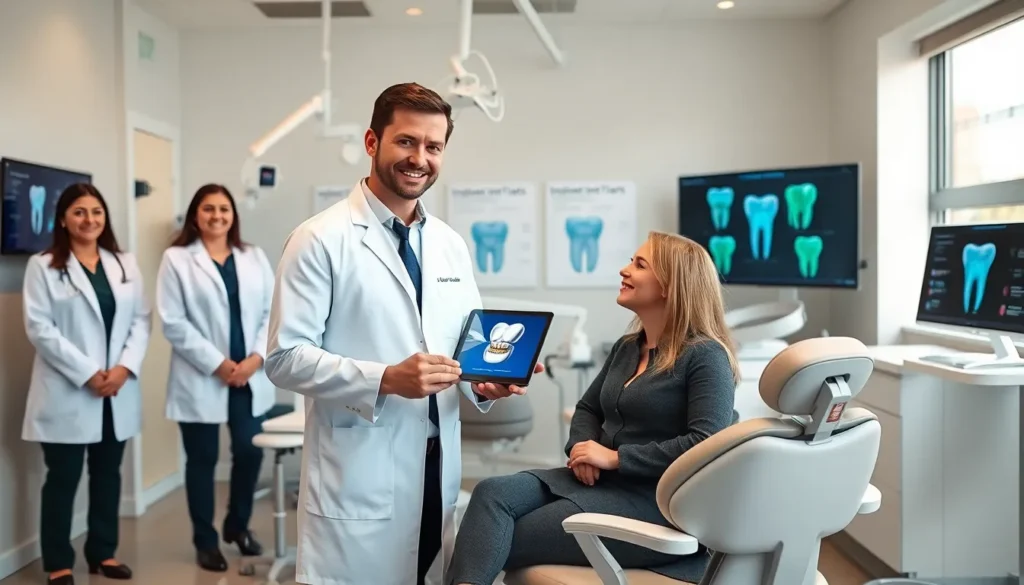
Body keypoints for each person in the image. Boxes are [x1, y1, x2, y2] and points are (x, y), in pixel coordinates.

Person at [264, 82, 540, 585]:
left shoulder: (450, 245)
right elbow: (284, 358)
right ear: (372, 142)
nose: (420, 158)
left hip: (437, 467)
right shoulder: (319, 239)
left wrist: (486, 382)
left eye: (433, 146)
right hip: (359, 470)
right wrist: (386, 378)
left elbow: (465, 349)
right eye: (406, 141)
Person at [446, 231, 740, 585]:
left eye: (640, 265)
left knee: (505, 533)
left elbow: (705, 444)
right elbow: (588, 408)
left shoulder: (706, 356)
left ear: (669, 285)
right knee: (490, 494)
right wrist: (582, 450)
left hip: (655, 502)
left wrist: (616, 458)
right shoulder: (628, 347)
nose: (624, 270)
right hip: (600, 482)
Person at [22, 183, 152, 585]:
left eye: (96, 212)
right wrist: (88, 373)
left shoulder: (123, 263)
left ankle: (102, 552)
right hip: (68, 390)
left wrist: (124, 368)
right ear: (63, 219)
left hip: (116, 389)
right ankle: (58, 562)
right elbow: (40, 329)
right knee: (62, 479)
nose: (89, 219)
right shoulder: (43, 266)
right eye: (79, 212)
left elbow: (141, 320)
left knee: (108, 475)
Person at [156, 184, 276, 572]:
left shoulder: (253, 256)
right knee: (202, 459)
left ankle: (237, 526)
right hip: (202, 375)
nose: (217, 216)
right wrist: (218, 364)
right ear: (195, 215)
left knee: (250, 450)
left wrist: (255, 358)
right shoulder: (177, 259)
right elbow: (173, 321)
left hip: (249, 374)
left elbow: (272, 311)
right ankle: (205, 542)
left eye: (224, 209)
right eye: (208, 209)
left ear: (233, 216)